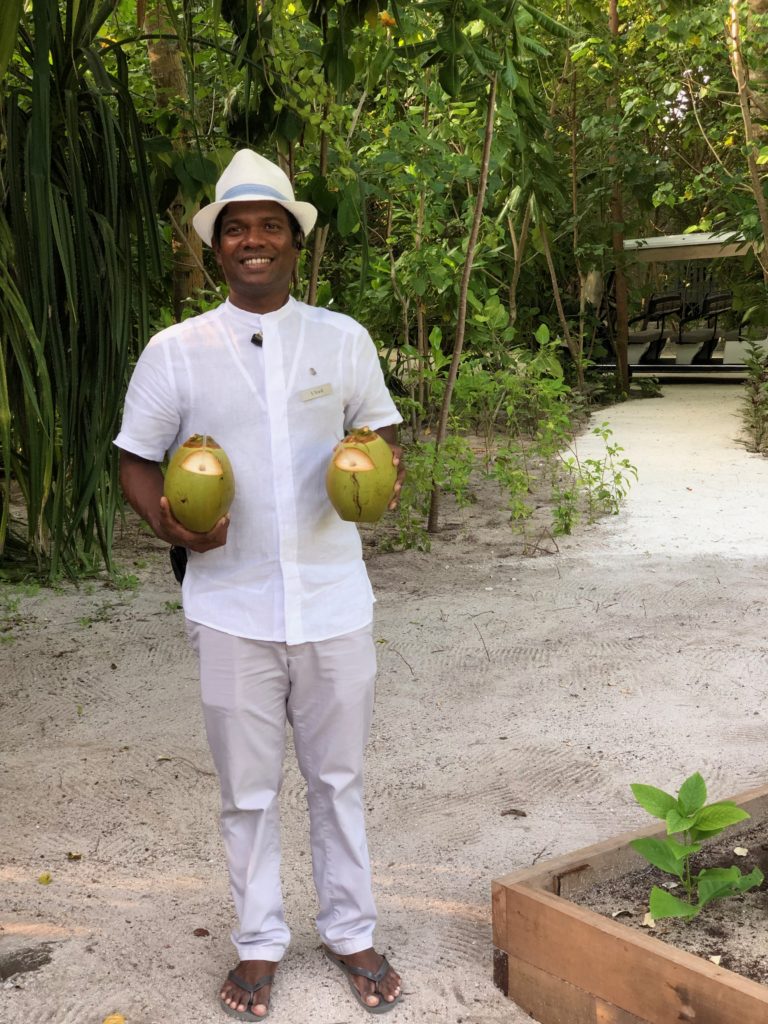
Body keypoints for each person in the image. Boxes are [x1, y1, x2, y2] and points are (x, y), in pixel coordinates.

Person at [114, 149, 405, 1019]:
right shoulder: (177, 351)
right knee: (245, 789)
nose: (253, 240)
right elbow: (134, 457)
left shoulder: (342, 338)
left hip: (333, 599)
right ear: (216, 246)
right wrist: (167, 522)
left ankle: (351, 929)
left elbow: (382, 431)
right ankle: (258, 942)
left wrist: (376, 478)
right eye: (235, 226)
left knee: (338, 778)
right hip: (229, 602)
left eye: (268, 225)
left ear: (293, 243)